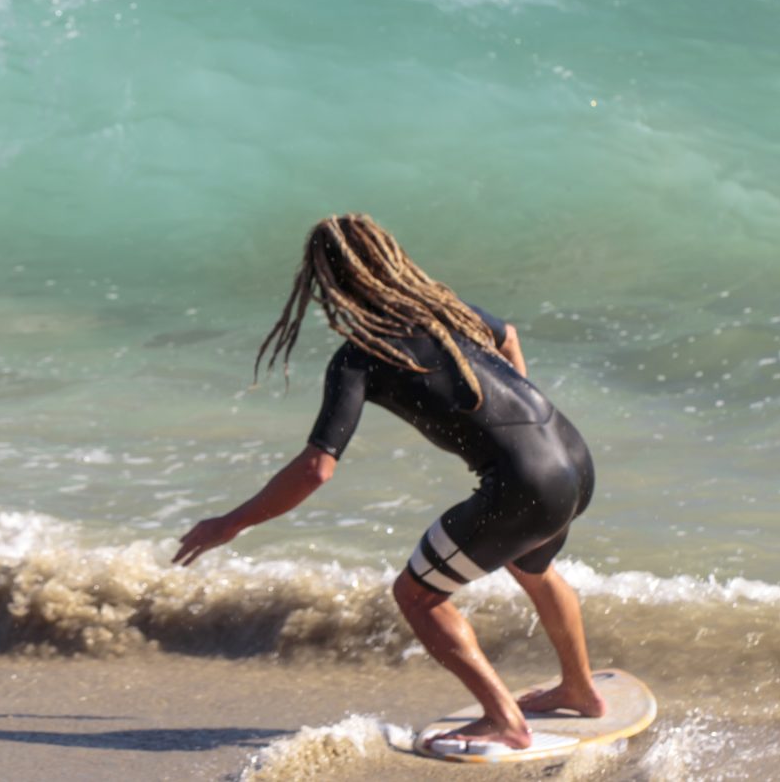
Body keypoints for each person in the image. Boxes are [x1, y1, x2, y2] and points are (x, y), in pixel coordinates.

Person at [172, 213, 603, 757]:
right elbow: (509, 335)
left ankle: (505, 721)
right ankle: (579, 690)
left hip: (526, 485)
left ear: (331, 285)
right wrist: (520, 421)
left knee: (417, 596)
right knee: (531, 567)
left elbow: (316, 469)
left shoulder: (360, 356)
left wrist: (231, 523)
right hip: (572, 458)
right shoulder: (447, 313)